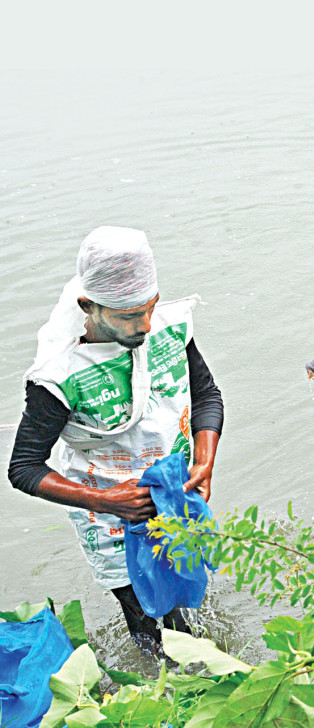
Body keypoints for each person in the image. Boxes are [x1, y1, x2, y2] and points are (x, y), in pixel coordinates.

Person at [7, 227, 223, 652]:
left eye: (149, 308)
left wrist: (204, 461)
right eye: (128, 316)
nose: (144, 325)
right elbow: (23, 468)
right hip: (108, 514)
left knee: (186, 590)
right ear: (89, 306)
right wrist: (105, 501)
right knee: (147, 616)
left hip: (174, 493)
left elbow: (207, 396)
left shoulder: (168, 329)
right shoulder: (58, 374)